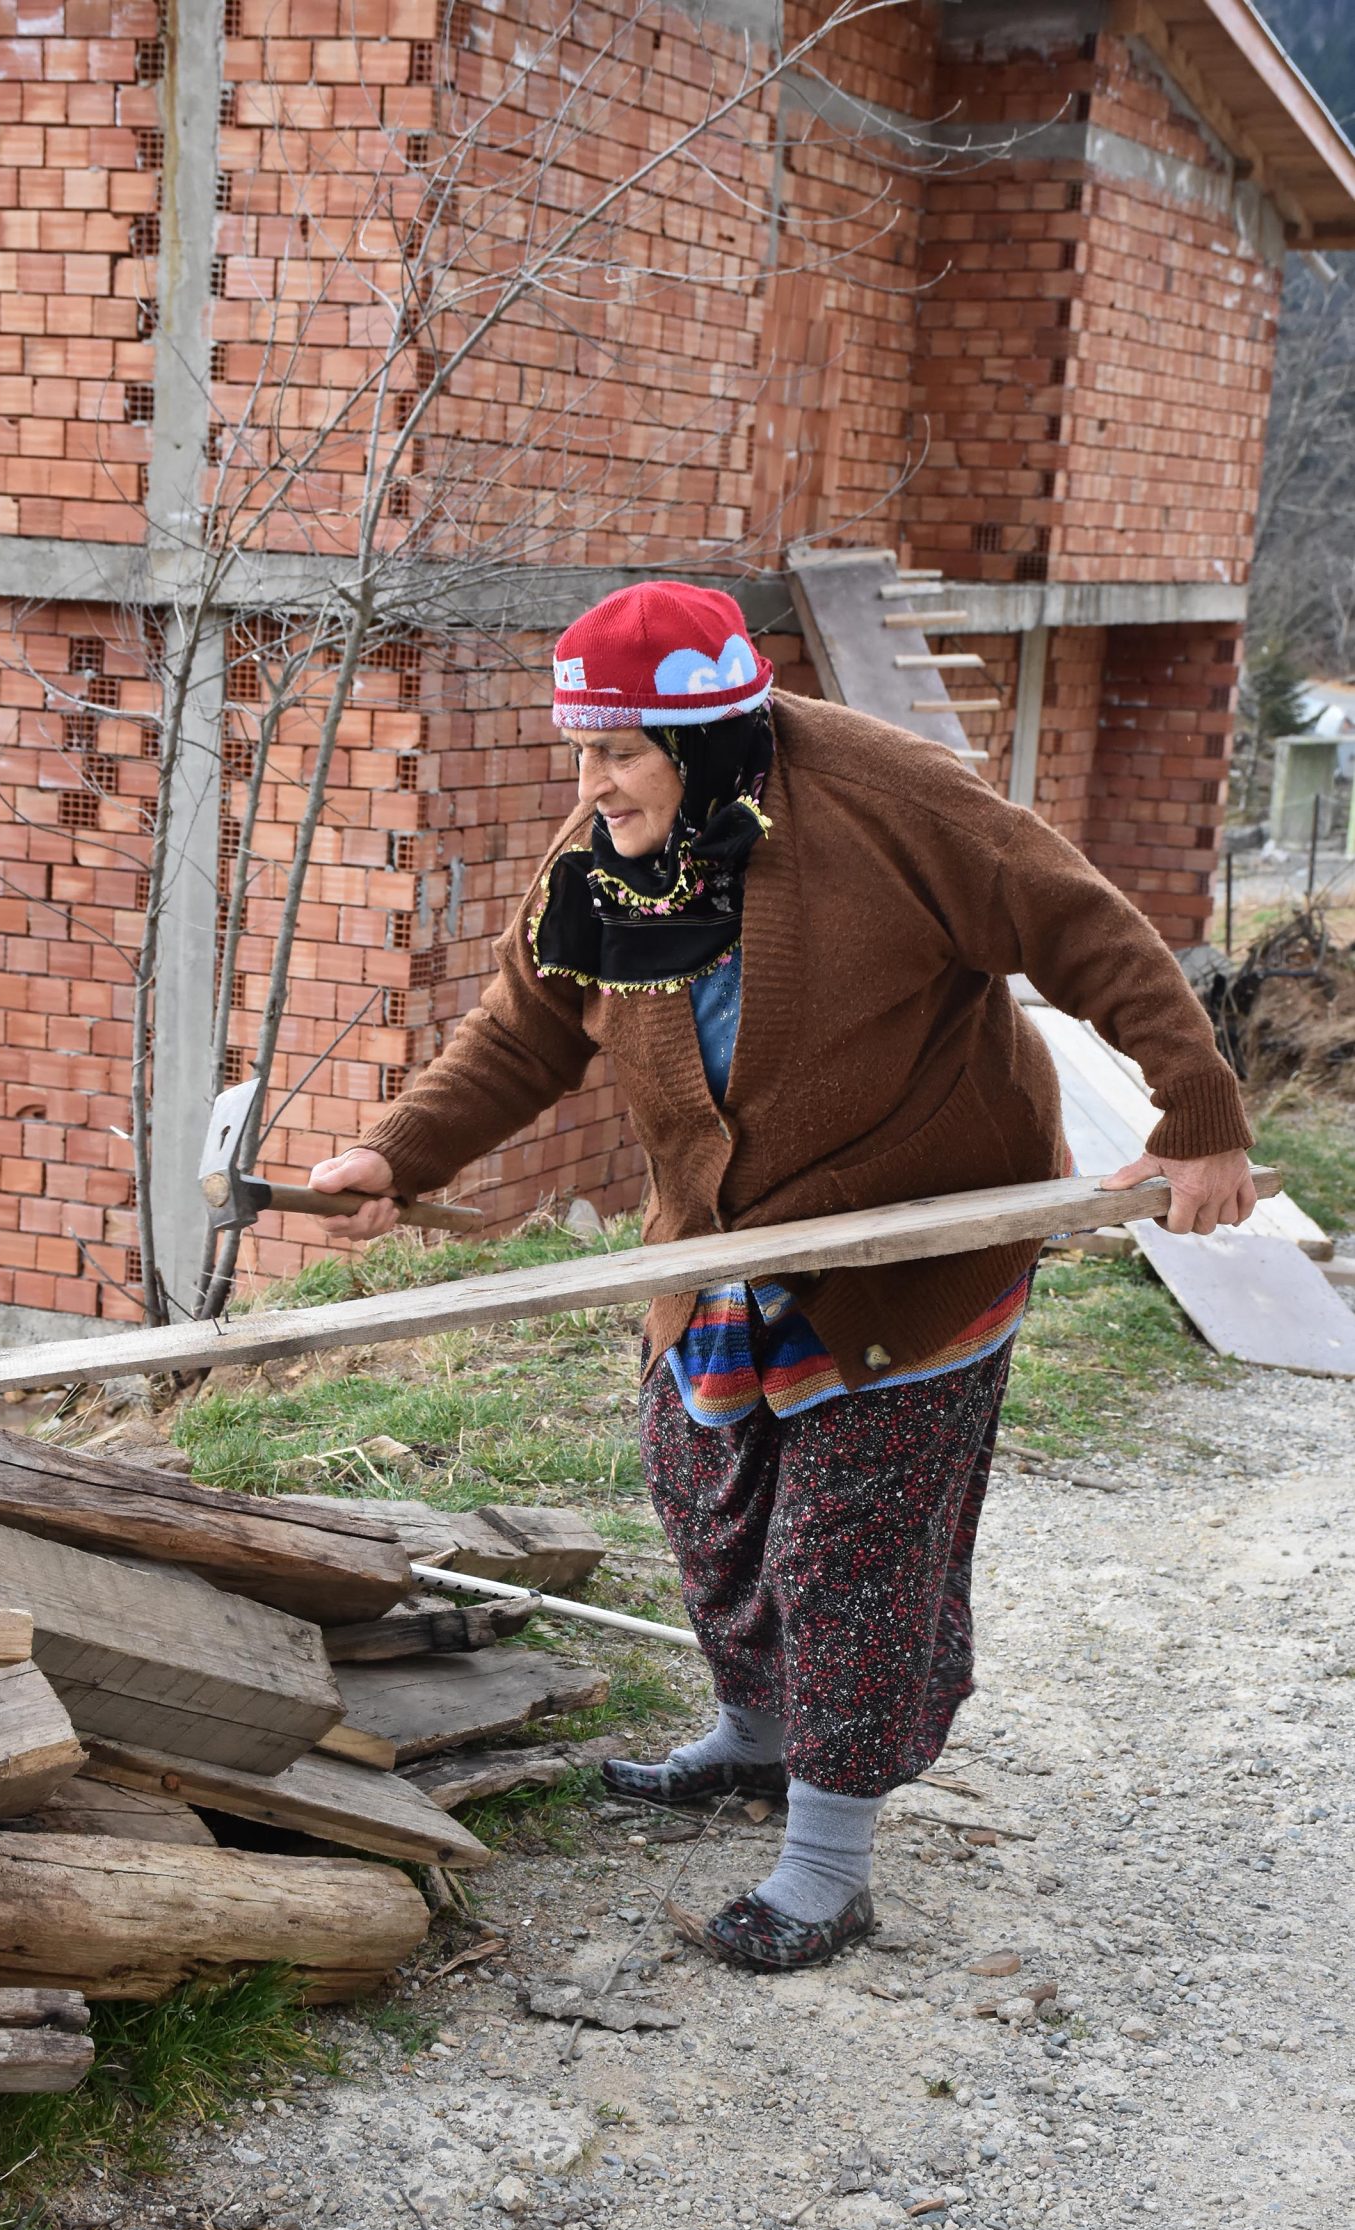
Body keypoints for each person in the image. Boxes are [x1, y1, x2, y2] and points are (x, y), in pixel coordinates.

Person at [306, 580, 1257, 1972]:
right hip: (723, 1243)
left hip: (909, 1241)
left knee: (849, 1553)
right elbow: (525, 1032)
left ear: (702, 741)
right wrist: (395, 1157)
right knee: (709, 1503)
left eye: (617, 752)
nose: (592, 783)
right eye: (586, 750)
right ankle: (755, 1737)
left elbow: (1083, 925)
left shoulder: (888, 799)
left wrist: (1201, 1114)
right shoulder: (615, 853)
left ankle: (829, 1861)